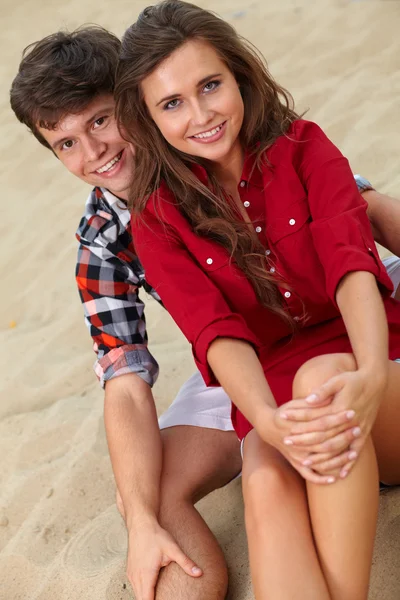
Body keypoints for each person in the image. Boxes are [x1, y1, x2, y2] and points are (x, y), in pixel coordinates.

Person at [113, 1, 400, 598]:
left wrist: (371, 374)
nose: (201, 114)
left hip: (376, 369)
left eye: (210, 85)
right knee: (265, 478)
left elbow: (353, 266)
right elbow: (215, 331)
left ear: (238, 75)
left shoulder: (305, 147)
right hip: (271, 394)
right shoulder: (156, 220)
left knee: (324, 381)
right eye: (172, 103)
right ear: (148, 120)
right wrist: (267, 422)